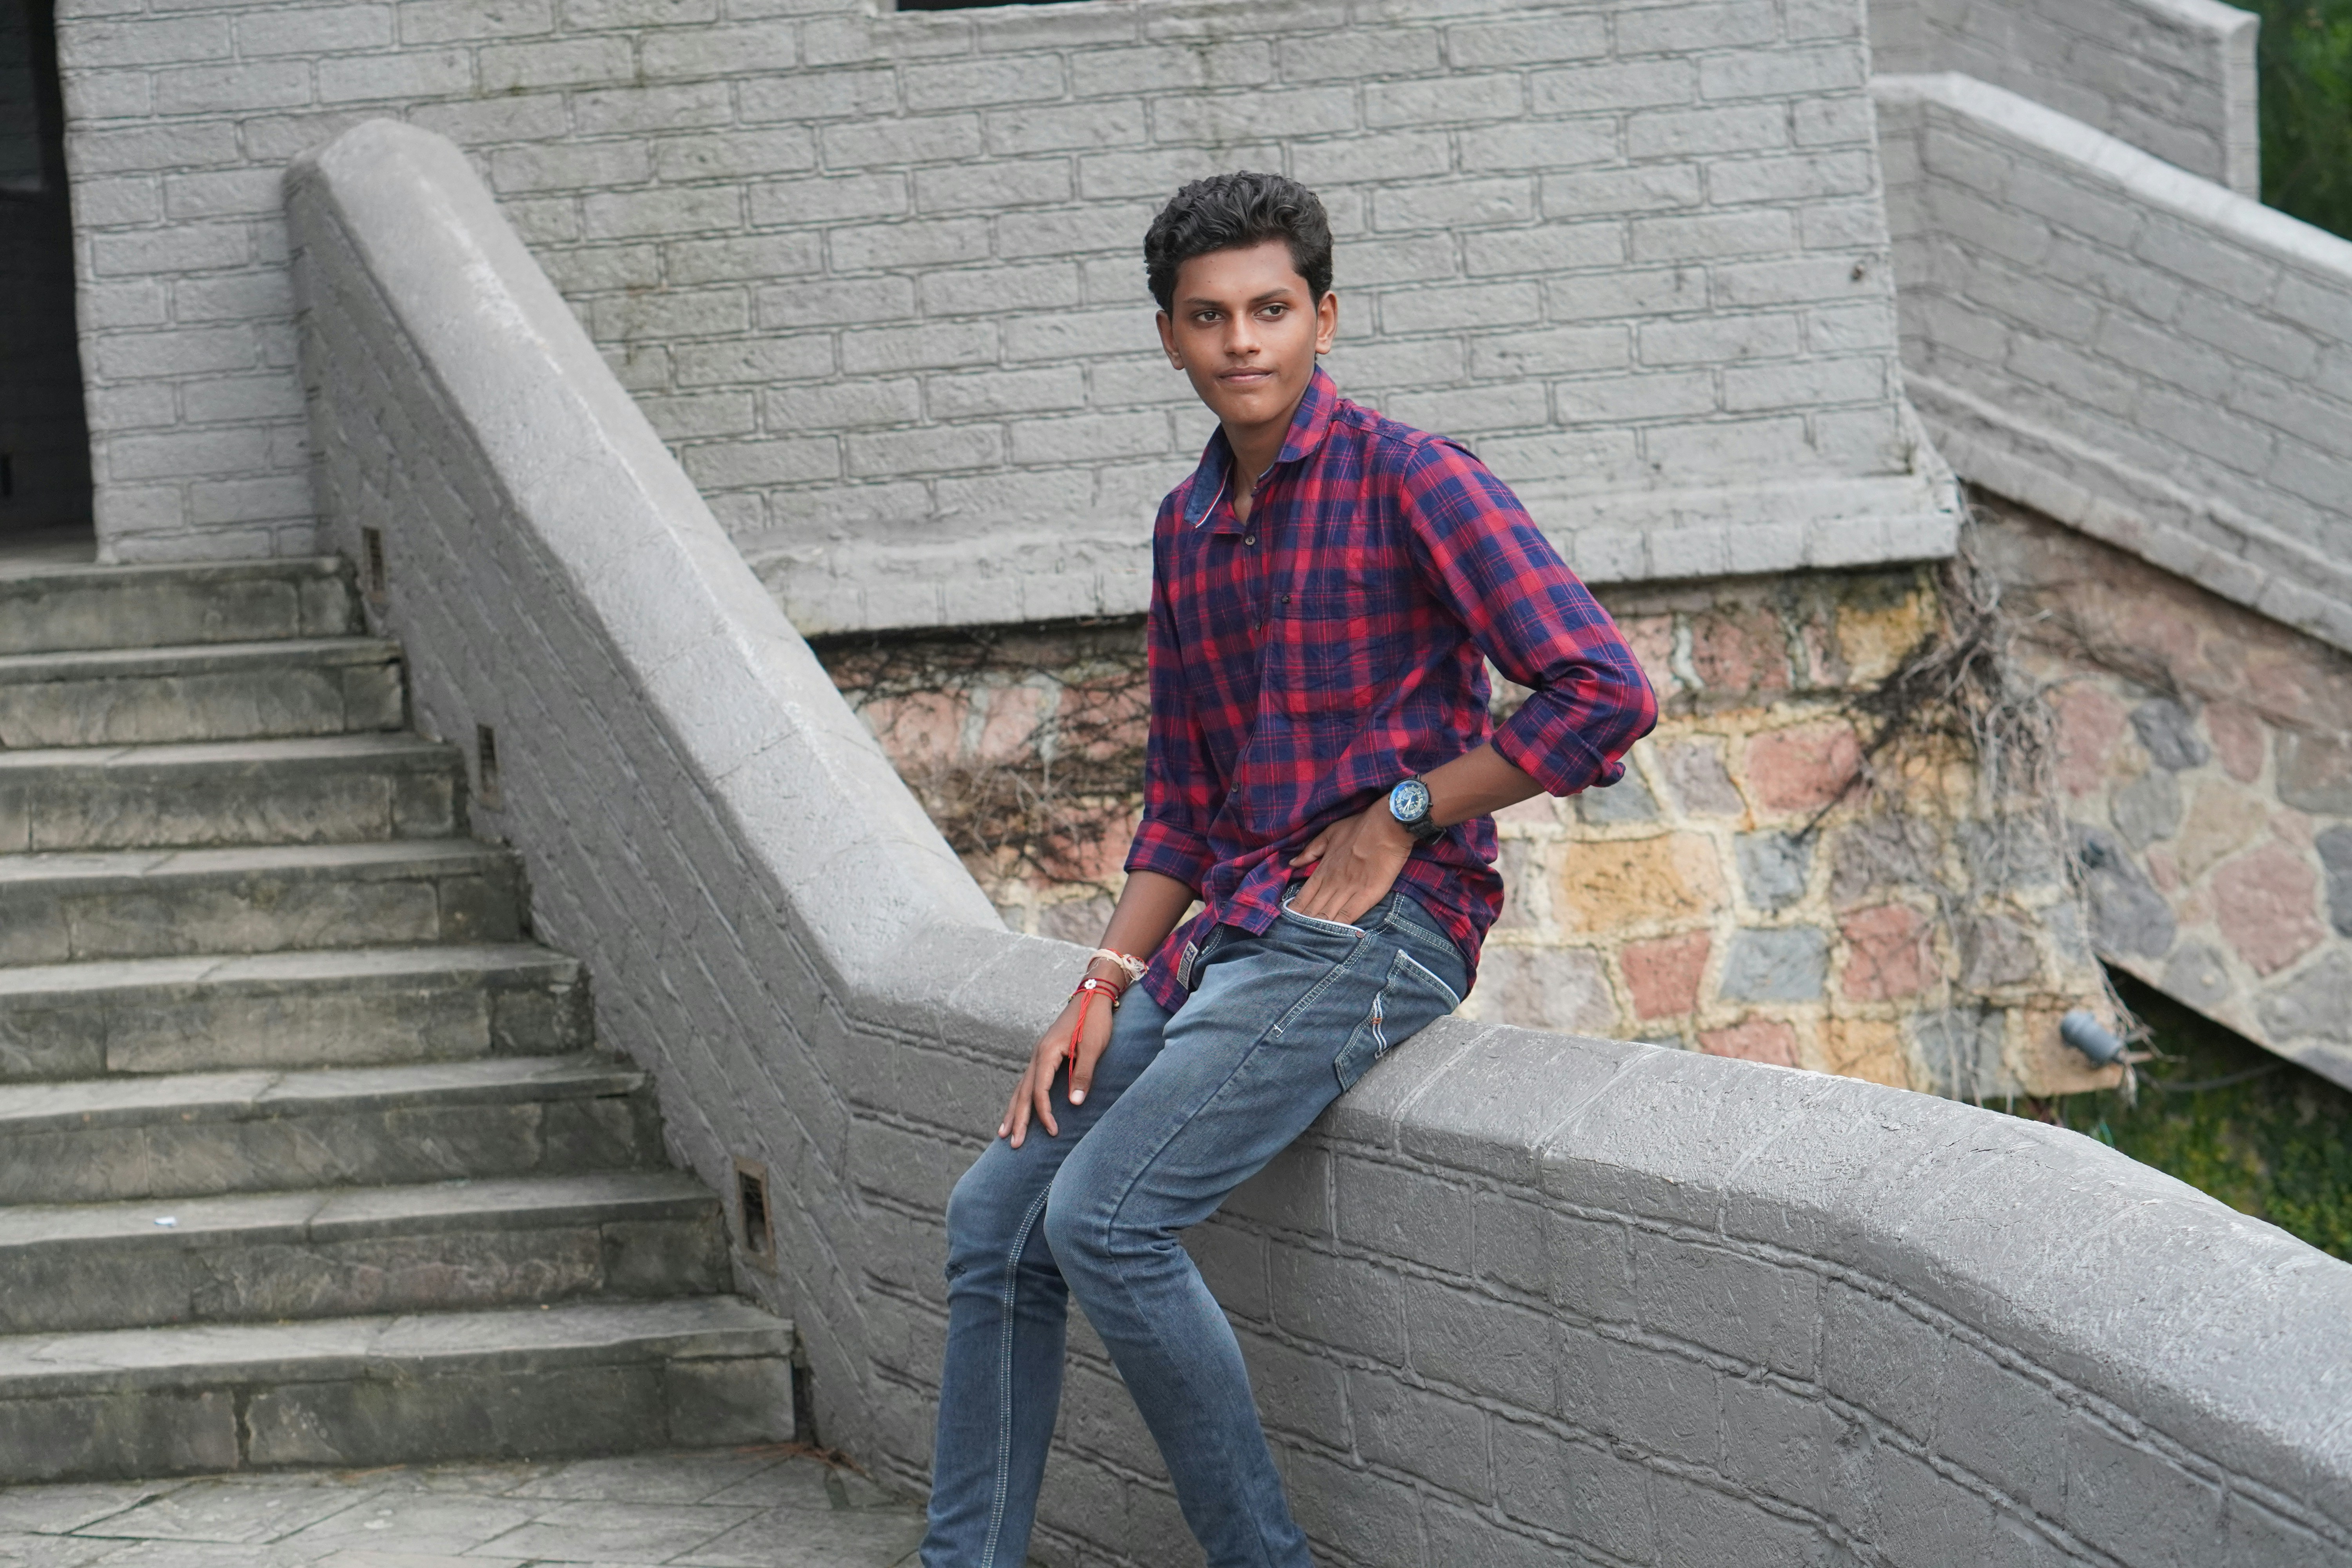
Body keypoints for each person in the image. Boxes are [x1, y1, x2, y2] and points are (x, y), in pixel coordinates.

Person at [920, 171, 1658, 1568]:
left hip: (1384, 931)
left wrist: (1402, 811)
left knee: (1108, 1221)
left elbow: (1601, 691)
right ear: (1170, 338)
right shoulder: (1187, 525)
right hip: (1228, 940)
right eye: (1209, 317)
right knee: (993, 1221)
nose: (1241, 342)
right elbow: (1187, 801)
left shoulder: (1412, 477)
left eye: (1271, 310)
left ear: (1325, 316)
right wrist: (1104, 977)